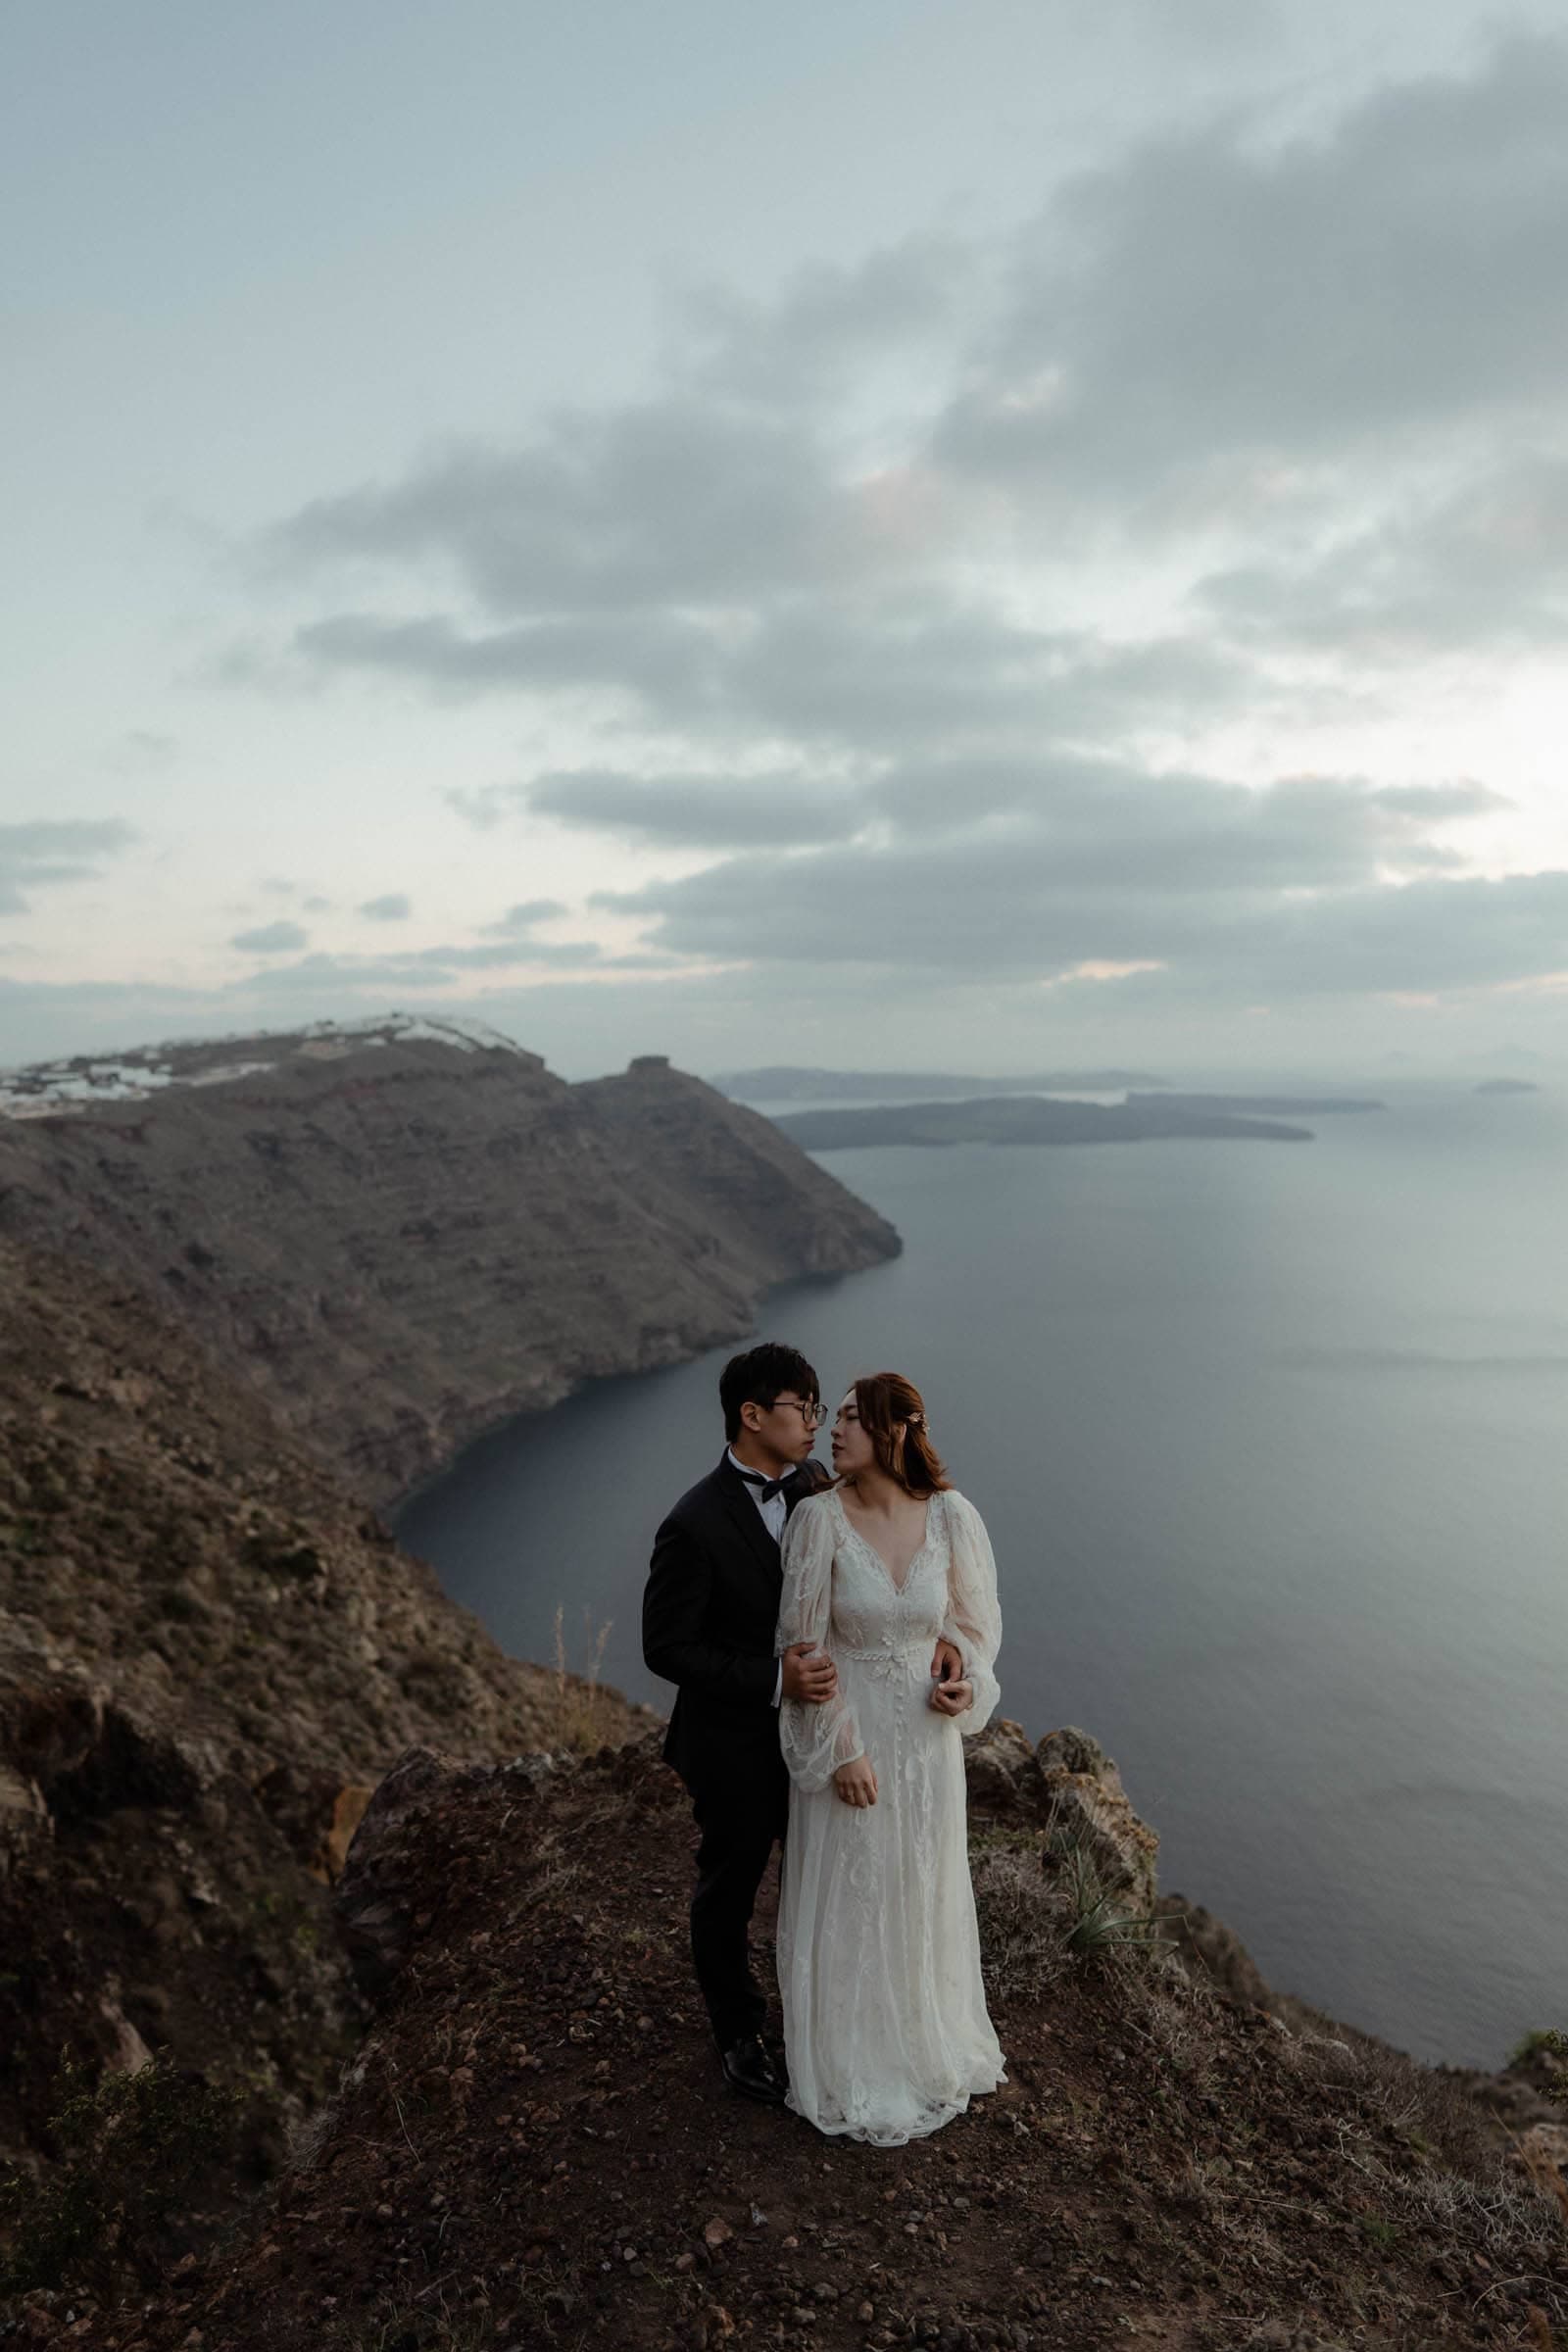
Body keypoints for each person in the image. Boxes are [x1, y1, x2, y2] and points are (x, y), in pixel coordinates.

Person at [643, 1343, 960, 2106]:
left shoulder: (824, 1490)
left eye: (825, 1410)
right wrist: (771, 1677)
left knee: (836, 1879)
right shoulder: (693, 1521)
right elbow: (667, 1648)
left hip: (835, 1730)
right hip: (737, 1742)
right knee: (732, 1885)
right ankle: (738, 2034)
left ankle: (841, 2019)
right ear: (752, 1416)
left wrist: (944, 1637)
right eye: (803, 1408)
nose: (818, 1423)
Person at [774, 1371, 1004, 2144]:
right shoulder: (817, 1520)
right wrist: (841, 1749)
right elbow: (802, 1647)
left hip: (929, 1744)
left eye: (849, 1419)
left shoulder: (951, 1515)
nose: (831, 1432)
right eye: (829, 1418)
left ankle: (924, 2040)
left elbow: (975, 1625)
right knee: (856, 1886)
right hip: (857, 1732)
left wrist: (959, 1677)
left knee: (921, 1879)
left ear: (894, 1431)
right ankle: (853, 2059)